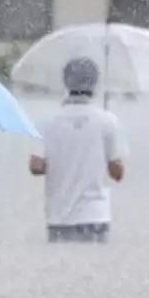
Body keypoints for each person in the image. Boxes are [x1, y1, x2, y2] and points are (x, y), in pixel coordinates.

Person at [28, 57, 127, 243]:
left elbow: (36, 167)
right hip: (96, 216)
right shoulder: (108, 121)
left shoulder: (47, 121)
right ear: (95, 83)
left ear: (65, 82)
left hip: (59, 216)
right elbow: (118, 173)